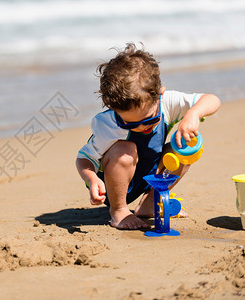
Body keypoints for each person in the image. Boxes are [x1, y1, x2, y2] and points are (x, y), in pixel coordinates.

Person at [76, 43, 221, 230]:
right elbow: (83, 159)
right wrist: (91, 179)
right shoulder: (108, 125)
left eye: (149, 119)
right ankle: (118, 211)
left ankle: (150, 204)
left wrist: (192, 114)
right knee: (125, 149)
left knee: (185, 147)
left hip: (150, 172)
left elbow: (212, 100)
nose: (141, 127)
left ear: (159, 94)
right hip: (115, 185)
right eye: (129, 124)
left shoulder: (167, 102)